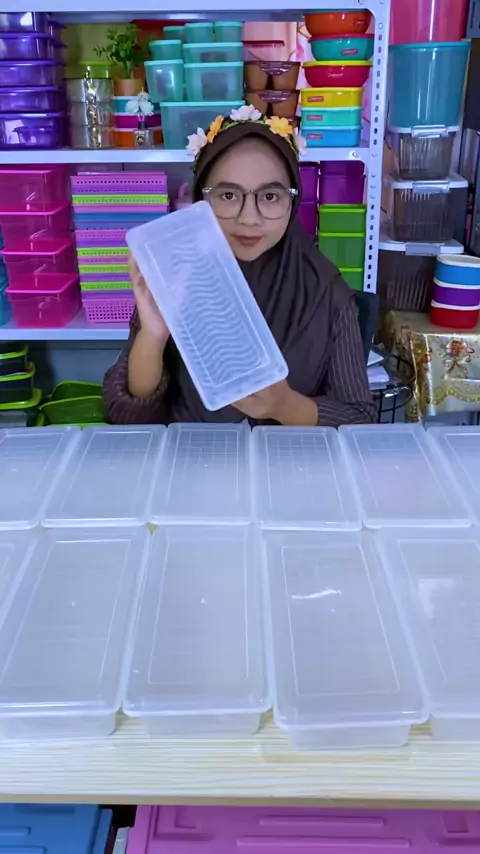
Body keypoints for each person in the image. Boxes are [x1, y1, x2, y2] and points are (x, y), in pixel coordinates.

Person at [103, 108, 376, 426]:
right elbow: (124, 414)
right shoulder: (175, 275)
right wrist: (153, 335)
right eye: (229, 195)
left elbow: (360, 419)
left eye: (270, 196)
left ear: (292, 201)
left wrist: (285, 406)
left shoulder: (326, 293)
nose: (249, 218)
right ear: (201, 199)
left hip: (285, 458)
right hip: (191, 454)